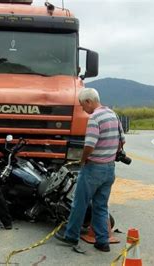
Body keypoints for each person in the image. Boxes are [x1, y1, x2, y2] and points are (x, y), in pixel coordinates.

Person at [55, 88, 125, 252]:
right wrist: (111, 154)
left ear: (88, 101)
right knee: (101, 206)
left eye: (82, 106)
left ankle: (71, 236)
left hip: (94, 168)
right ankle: (102, 241)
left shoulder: (95, 117)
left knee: (80, 203)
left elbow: (90, 145)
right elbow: (122, 141)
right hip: (109, 169)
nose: (83, 110)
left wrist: (83, 160)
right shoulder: (112, 114)